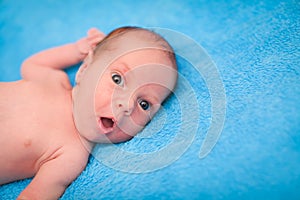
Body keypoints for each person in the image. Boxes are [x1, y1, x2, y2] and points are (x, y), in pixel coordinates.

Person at [0, 26, 177, 199]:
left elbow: (35, 194)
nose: (128, 104)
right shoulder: (53, 81)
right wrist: (76, 50)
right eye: (118, 79)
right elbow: (31, 65)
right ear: (84, 70)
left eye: (144, 104)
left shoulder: (71, 155)